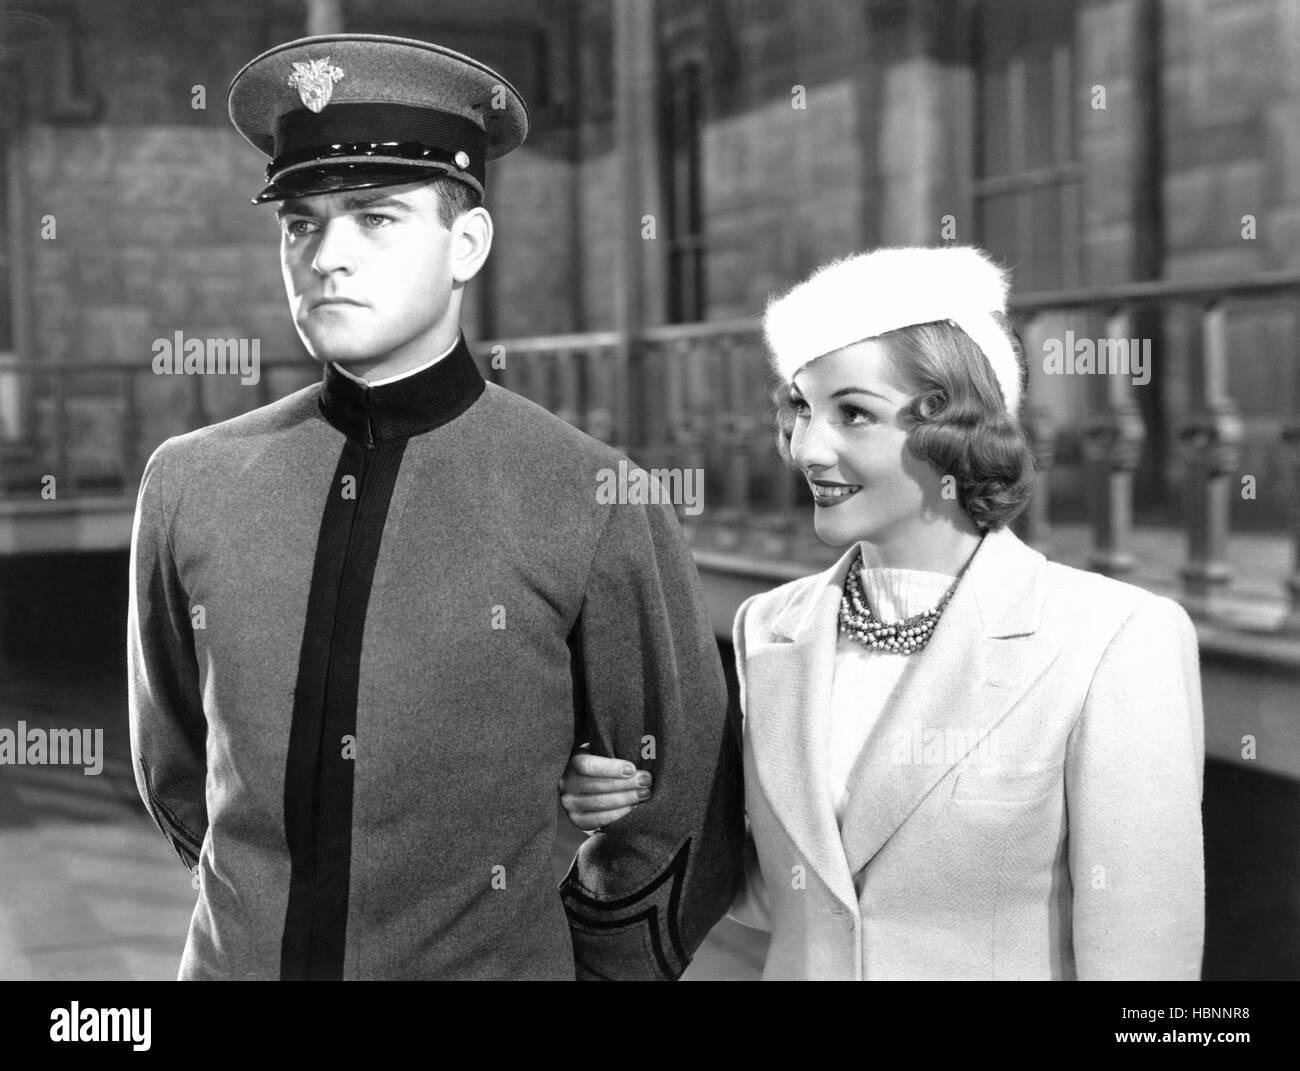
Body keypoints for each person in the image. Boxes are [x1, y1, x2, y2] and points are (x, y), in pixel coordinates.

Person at [127, 33, 742, 981]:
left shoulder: (589, 493)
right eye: (301, 221)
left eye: (375, 218)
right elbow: (178, 771)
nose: (327, 256)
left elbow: (673, 797)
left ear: (468, 244)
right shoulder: (190, 481)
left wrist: (582, 961)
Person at [561, 246, 1205, 980]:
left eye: (853, 414)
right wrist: (633, 810)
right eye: (801, 409)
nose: (807, 447)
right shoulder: (770, 627)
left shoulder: (1114, 639)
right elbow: (783, 893)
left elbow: (1146, 962)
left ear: (953, 426)